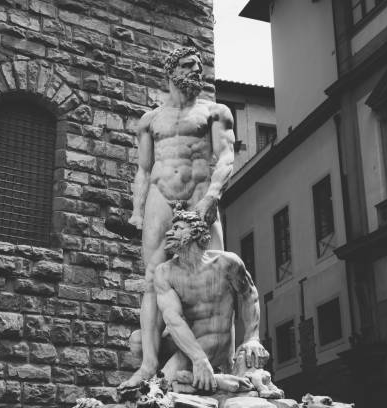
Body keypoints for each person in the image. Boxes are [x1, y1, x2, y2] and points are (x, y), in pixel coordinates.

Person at [119, 46, 235, 389]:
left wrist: (213, 197)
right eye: (188, 65)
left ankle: (221, 360)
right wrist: (137, 210)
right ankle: (148, 365)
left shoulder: (215, 112)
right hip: (160, 198)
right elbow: (142, 170)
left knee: (217, 273)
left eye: (199, 67)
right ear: (171, 71)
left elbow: (226, 157)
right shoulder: (150, 120)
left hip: (201, 196)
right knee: (154, 277)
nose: (196, 71)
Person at [142, 210, 268, 391]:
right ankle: (214, 381)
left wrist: (252, 337)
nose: (169, 233)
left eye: (177, 228)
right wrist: (198, 358)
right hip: (189, 344)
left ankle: (205, 380)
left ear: (195, 233)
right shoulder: (164, 272)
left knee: (162, 387)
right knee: (137, 341)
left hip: (214, 341)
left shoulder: (226, 262)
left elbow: (250, 295)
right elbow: (173, 318)